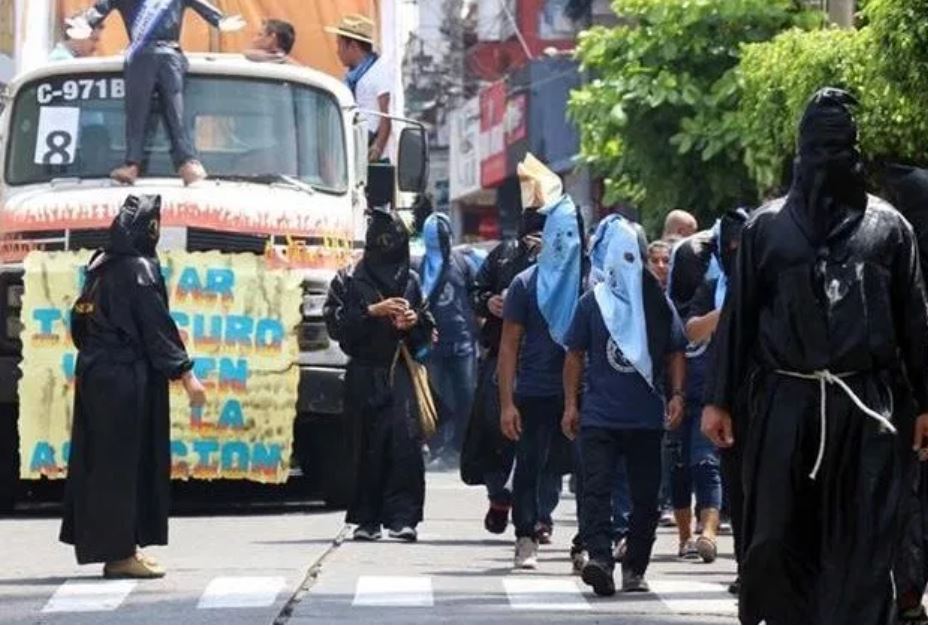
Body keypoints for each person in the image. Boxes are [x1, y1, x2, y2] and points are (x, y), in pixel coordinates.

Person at [702, 88, 928, 624]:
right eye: (818, 148)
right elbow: (738, 320)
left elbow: (916, 323)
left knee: (864, 536)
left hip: (865, 409)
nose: (828, 160)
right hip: (785, 403)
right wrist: (718, 399)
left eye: (839, 147)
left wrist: (925, 402)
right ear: (801, 153)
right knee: (776, 537)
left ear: (855, 152)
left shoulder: (889, 229)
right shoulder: (766, 229)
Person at [60, 194, 206, 578]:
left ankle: (124, 547)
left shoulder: (101, 264)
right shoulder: (139, 269)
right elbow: (155, 326)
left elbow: (79, 322)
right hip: (125, 381)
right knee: (123, 466)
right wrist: (186, 374)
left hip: (97, 376)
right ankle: (120, 555)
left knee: (104, 463)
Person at [563, 217, 686, 596]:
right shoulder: (592, 302)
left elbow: (676, 351)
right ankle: (600, 559)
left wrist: (677, 395)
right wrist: (570, 404)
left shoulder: (658, 304)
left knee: (647, 498)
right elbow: (574, 354)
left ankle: (635, 565)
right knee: (595, 492)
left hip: (646, 420)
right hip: (599, 418)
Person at [324, 207, 435, 543]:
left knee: (405, 446)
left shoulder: (411, 280)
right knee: (365, 447)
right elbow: (336, 326)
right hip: (363, 372)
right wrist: (371, 311)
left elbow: (427, 330)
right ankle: (367, 519)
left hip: (400, 371)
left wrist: (413, 322)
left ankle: (403, 518)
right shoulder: (348, 279)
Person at [499, 157, 584, 569]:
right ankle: (525, 536)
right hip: (535, 390)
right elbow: (508, 346)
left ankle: (588, 542)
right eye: (558, 234)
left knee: (587, 469)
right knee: (530, 466)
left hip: (583, 395)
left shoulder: (589, 285)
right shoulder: (525, 284)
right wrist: (506, 403)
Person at [460, 208, 563, 541]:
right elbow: (475, 291)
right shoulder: (503, 255)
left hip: (548, 362)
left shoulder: (565, 263)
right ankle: (499, 496)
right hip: (501, 358)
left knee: (548, 445)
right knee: (496, 435)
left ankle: (541, 516)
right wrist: (489, 302)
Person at [68, 1, 245, 186]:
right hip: (147, 55)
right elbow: (103, 6)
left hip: (161, 54)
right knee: (144, 112)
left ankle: (181, 162)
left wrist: (219, 20)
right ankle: (140, 164)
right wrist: (87, 22)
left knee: (168, 111)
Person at [675, 210, 749, 568]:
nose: (736, 251)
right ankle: (725, 547)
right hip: (716, 391)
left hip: (763, 394)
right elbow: (691, 330)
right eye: (730, 245)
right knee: (713, 468)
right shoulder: (712, 288)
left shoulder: (771, 281)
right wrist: (726, 312)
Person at [418, 212, 478, 465]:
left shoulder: (463, 264)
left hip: (462, 345)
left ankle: (459, 448)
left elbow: (477, 297)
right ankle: (437, 447)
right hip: (432, 346)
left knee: (466, 398)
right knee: (435, 399)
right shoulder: (420, 267)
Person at [327, 14, 392, 162]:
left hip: (371, 153)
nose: (337, 51)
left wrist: (378, 147)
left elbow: (386, 115)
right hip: (353, 147)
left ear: (353, 46)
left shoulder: (378, 72)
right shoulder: (352, 76)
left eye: (340, 45)